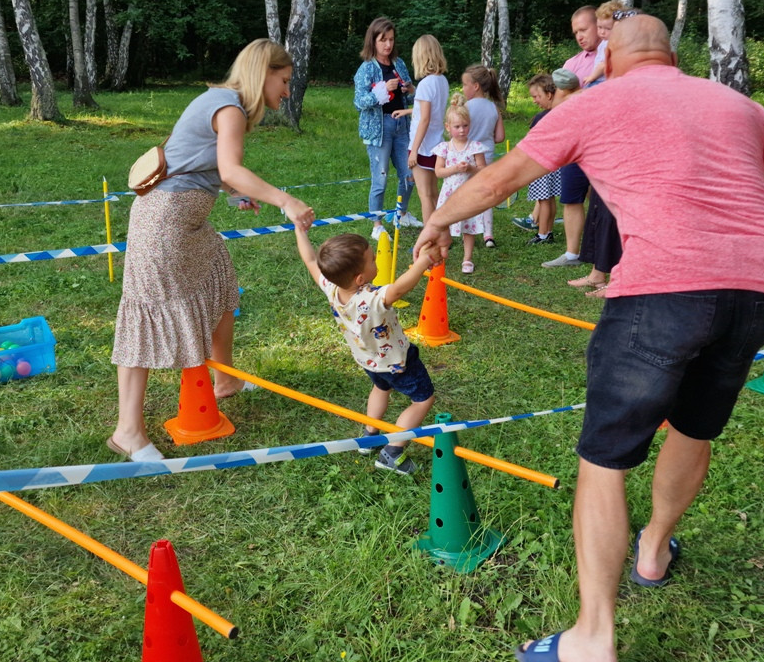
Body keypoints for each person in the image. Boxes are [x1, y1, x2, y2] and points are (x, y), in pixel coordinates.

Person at [412, 14, 764, 662]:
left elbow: (503, 176)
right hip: (758, 290)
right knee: (694, 428)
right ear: (672, 56)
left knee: (605, 459)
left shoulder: (595, 101)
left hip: (662, 290)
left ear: (608, 59)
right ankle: (655, 549)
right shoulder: (739, 105)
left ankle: (592, 638)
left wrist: (438, 218)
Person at [110, 39, 316, 462]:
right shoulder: (230, 108)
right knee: (146, 311)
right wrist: (286, 200)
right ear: (265, 73)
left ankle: (224, 380)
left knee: (221, 277)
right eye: (284, 80)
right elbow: (230, 167)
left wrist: (232, 192)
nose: (287, 90)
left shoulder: (221, 102)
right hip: (164, 223)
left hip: (186, 222)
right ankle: (127, 431)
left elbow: (198, 162)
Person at [293, 226, 438, 475]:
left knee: (381, 387)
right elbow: (400, 288)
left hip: (367, 361)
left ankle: (370, 435)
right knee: (423, 399)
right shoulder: (371, 299)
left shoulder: (332, 289)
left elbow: (309, 259)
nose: (375, 261)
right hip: (397, 362)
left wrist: (299, 229)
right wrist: (424, 261)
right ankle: (392, 452)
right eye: (372, 259)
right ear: (360, 278)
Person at [542, 6, 601, 268]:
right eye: (575, 31)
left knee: (607, 200)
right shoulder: (571, 65)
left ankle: (609, 252)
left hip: (605, 142)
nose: (579, 35)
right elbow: (558, 106)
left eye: (583, 29)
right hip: (577, 142)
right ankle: (571, 254)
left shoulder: (614, 58)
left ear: (599, 25)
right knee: (571, 197)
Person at [353, 17, 418, 241]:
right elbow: (359, 102)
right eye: (383, 40)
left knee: (409, 174)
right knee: (380, 179)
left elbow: (413, 93)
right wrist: (381, 90)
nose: (388, 45)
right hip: (379, 128)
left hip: (402, 125)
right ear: (373, 41)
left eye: (390, 40)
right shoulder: (366, 68)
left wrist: (408, 88)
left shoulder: (398, 63)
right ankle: (377, 224)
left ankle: (402, 213)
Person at [392, 35, 450, 224]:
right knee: (433, 195)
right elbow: (429, 110)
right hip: (436, 144)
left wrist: (413, 151)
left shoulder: (426, 84)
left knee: (425, 196)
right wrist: (408, 110)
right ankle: (440, 234)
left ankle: (429, 239)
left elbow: (425, 118)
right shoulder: (441, 80)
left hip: (423, 148)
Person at [434, 93, 487, 273]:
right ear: (448, 127)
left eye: (465, 126)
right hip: (449, 193)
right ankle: (440, 253)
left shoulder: (475, 146)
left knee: (469, 225)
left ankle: (467, 258)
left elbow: (483, 169)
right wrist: (456, 168)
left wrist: (471, 169)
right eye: (457, 126)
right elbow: (438, 171)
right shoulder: (444, 148)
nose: (462, 130)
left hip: (469, 193)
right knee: (443, 224)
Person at [461, 63, 505, 248]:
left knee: (464, 195)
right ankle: (488, 235)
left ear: (475, 86)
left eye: (464, 85)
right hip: (486, 157)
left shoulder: (466, 107)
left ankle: (465, 230)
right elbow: (500, 137)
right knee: (485, 195)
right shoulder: (494, 108)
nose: (463, 89)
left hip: (466, 156)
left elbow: (459, 131)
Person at [519, 74, 561, 246]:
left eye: (537, 96)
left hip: (541, 164)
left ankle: (542, 234)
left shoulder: (542, 117)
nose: (535, 101)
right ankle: (548, 231)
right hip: (555, 164)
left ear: (549, 95)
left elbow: (530, 142)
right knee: (550, 199)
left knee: (543, 200)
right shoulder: (561, 113)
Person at [582, 1, 626, 87]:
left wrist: (592, 77)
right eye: (599, 27)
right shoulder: (605, 42)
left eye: (608, 29)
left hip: (601, 80)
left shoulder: (610, 44)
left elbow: (603, 64)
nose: (602, 32)